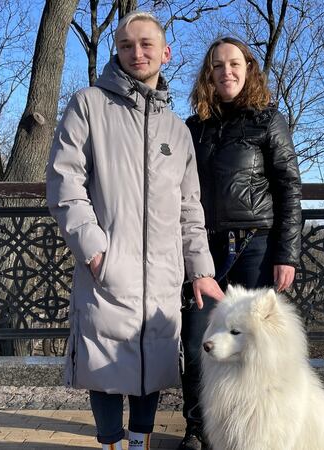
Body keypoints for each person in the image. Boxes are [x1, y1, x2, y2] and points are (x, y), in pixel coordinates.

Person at [46, 11, 224, 450]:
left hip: (162, 270)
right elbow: (64, 181)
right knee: (105, 361)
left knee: (154, 361)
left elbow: (189, 207)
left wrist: (200, 268)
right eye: (127, 45)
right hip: (111, 263)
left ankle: (140, 443)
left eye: (146, 44)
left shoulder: (177, 130)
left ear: (165, 53)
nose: (136, 52)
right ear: (118, 52)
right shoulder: (87, 105)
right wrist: (93, 248)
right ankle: (110, 444)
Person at [178, 36, 303, 450]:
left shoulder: (268, 120)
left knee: (256, 348)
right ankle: (199, 427)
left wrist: (287, 253)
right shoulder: (192, 128)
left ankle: (257, 430)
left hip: (256, 246)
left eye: (234, 63)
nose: (226, 71)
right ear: (208, 74)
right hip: (204, 250)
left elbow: (289, 188)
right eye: (217, 65)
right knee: (200, 343)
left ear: (248, 68)